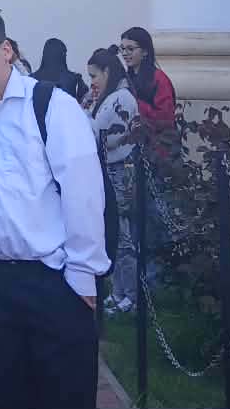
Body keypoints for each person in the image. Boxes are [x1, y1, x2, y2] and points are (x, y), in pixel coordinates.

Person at [0, 5, 106, 409]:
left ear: (6, 50)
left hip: (52, 280)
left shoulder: (50, 105)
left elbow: (83, 193)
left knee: (62, 395)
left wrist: (83, 276)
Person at [86, 46, 141, 314]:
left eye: (94, 75)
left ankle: (131, 295)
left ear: (107, 71)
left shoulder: (121, 98)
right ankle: (119, 291)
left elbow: (108, 136)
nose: (92, 82)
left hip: (120, 170)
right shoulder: (109, 97)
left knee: (124, 236)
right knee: (116, 233)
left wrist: (85, 121)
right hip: (110, 170)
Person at [118, 26, 179, 152]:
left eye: (130, 49)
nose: (124, 53)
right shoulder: (126, 78)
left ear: (145, 52)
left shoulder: (159, 79)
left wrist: (134, 102)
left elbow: (165, 119)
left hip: (159, 149)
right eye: (122, 49)